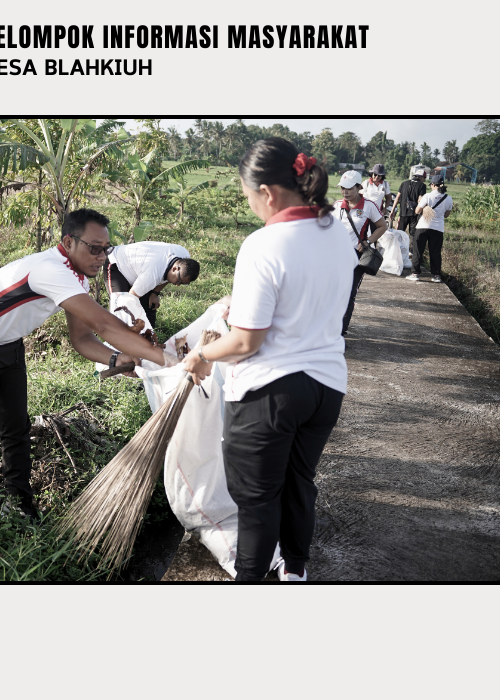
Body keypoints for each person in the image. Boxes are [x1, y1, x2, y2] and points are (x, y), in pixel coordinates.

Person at [181, 138, 355, 582]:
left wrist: (201, 354)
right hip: (326, 387)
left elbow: (245, 343)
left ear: (268, 193)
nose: (251, 207)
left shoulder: (263, 244)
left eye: (248, 196)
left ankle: (251, 582)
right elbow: (306, 296)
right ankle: (295, 571)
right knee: (299, 483)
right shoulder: (336, 232)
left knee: (257, 501)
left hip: (270, 394)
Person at [0, 209, 173, 519]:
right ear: (68, 241)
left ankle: (22, 504)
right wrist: (167, 361)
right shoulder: (49, 269)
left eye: (106, 249)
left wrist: (117, 358)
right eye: (94, 248)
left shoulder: (75, 275)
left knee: (16, 428)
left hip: (7, 343)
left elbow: (82, 338)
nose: (101, 257)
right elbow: (105, 326)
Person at [334, 170, 388, 336]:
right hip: (336, 256)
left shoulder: (368, 206)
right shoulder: (337, 205)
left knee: (349, 294)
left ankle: (340, 333)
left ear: (359, 187)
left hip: (356, 257)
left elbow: (382, 226)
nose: (345, 192)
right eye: (343, 188)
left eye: (349, 188)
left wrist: (368, 241)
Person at [104, 242, 200, 328]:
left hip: (139, 268)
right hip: (117, 263)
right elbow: (129, 299)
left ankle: (148, 341)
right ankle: (117, 342)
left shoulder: (184, 257)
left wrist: (155, 293)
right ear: (175, 269)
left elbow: (168, 276)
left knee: (149, 308)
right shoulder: (152, 275)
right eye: (179, 281)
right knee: (121, 308)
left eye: (183, 284)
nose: (178, 285)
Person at [408, 170, 454, 283]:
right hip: (438, 229)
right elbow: (446, 215)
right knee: (435, 252)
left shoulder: (427, 196)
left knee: (418, 250)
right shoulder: (448, 198)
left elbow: (417, 211)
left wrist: (425, 208)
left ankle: (415, 274)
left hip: (423, 226)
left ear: (433, 185)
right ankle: (436, 276)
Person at [389, 165, 428, 240]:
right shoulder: (422, 186)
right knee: (413, 235)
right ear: (421, 177)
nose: (424, 180)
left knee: (399, 234)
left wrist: (392, 211)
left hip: (403, 213)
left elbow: (397, 198)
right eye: (424, 178)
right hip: (414, 215)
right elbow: (420, 200)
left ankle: (397, 250)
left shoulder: (404, 183)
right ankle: (412, 250)